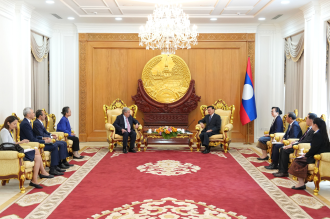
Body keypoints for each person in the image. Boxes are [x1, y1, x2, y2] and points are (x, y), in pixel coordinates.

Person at [0, 116, 54, 189]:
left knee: (37, 155)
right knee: (36, 152)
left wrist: (21, 142)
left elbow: (11, 143)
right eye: (14, 124)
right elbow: (6, 145)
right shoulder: (4, 131)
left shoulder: (9, 131)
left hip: (15, 150)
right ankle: (41, 174)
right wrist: (18, 143)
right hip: (13, 153)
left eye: (16, 124)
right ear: (8, 123)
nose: (15, 126)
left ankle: (35, 179)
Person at [20, 107, 64, 176]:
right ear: (28, 115)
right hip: (31, 144)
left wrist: (43, 138)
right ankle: (53, 169)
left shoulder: (28, 122)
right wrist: (44, 142)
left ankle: (55, 167)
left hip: (34, 142)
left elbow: (34, 136)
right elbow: (32, 139)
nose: (34, 114)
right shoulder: (25, 123)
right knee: (54, 146)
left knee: (54, 144)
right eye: (33, 113)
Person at [289, 118, 330, 190]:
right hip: (318, 156)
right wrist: (306, 154)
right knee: (300, 159)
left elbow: (314, 149)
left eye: (313, 124)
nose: (312, 125)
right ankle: (302, 182)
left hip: (318, 158)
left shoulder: (317, 135)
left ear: (315, 125)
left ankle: (301, 183)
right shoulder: (321, 133)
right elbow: (314, 148)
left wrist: (305, 155)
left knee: (297, 160)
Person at [273, 113, 317, 177]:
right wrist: (296, 141)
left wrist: (294, 144)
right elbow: (302, 138)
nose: (306, 120)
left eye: (307, 118)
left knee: (284, 150)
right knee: (283, 149)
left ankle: (283, 171)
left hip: (301, 147)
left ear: (311, 120)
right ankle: (281, 170)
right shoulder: (309, 128)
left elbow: (307, 141)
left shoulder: (313, 130)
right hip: (299, 144)